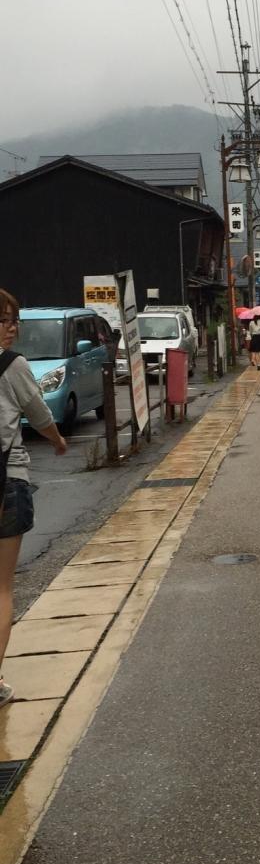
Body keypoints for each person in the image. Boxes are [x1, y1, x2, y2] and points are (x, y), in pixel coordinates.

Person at [0, 290, 68, 709]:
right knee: (2, 587)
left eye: (14, 320)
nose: (12, 328)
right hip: (7, 482)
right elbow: (39, 414)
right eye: (4, 320)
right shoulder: (12, 366)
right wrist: (58, 441)